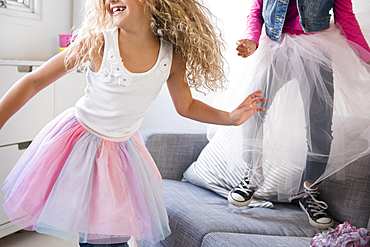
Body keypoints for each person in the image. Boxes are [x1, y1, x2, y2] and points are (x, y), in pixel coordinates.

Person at [0, 0, 267, 246]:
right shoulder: (97, 43)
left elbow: (186, 106)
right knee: (96, 237)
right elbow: (33, 81)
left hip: (120, 153)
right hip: (79, 146)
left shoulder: (171, 56)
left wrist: (230, 118)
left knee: (111, 237)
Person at [225, 0, 370, 230]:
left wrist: (367, 57)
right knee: (252, 111)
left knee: (319, 123)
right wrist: (252, 39)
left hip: (316, 48)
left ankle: (310, 190)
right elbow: (256, 10)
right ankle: (253, 174)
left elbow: (346, 17)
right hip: (274, 47)